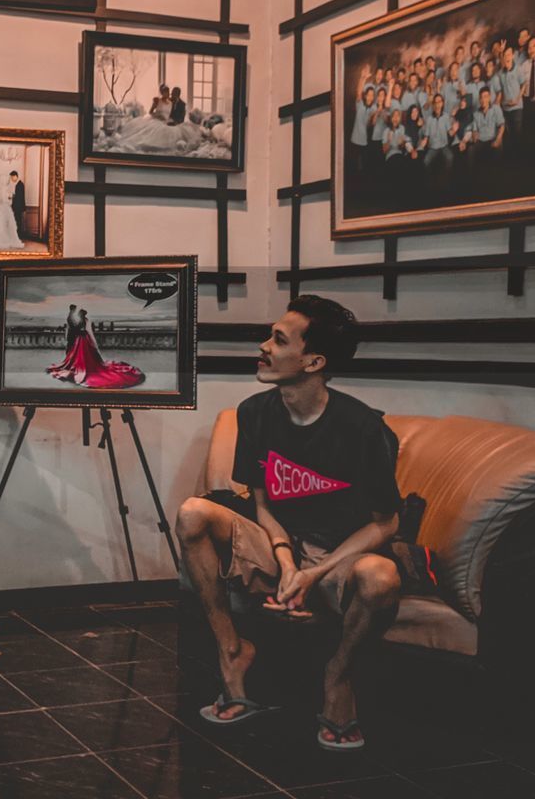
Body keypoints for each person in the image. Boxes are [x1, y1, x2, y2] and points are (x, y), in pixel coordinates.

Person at [176, 296, 401, 752]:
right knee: (192, 513)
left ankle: (338, 677)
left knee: (381, 578)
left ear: (313, 360)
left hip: (340, 554)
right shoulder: (255, 412)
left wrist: (313, 572)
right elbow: (263, 502)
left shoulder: (362, 428)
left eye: (278, 340)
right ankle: (232, 653)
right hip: (279, 543)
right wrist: (283, 557)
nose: (264, 346)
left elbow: (385, 524)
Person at [46, 309, 145, 389]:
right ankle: (82, 367)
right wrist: (94, 344)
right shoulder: (85, 321)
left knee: (81, 357)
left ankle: (79, 367)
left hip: (80, 340)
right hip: (84, 340)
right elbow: (89, 333)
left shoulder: (77, 321)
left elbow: (74, 330)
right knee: (86, 357)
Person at [8, 171, 26, 240]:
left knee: (18, 221)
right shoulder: (18, 184)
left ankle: (18, 236)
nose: (12, 179)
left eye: (12, 177)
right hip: (18, 206)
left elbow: (19, 197)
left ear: (15, 176)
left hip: (18, 206)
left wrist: (12, 196)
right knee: (17, 221)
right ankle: (17, 235)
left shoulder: (20, 184)